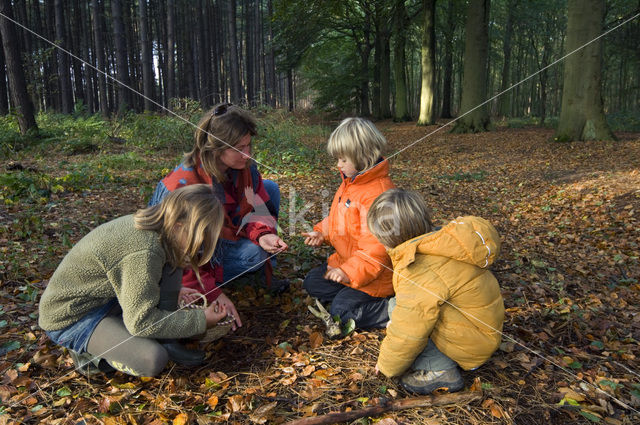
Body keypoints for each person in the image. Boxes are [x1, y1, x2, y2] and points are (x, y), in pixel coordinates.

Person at [39, 184, 239, 377]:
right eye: (201, 235)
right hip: (72, 318)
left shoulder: (160, 231)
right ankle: (91, 356)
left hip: (105, 298)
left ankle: (165, 340)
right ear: (179, 225)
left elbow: (131, 278)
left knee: (176, 260)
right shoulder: (145, 250)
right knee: (151, 359)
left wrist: (171, 292)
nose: (202, 243)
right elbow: (141, 322)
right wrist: (201, 320)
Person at [367, 189, 504, 394]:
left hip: (471, 346)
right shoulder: (440, 243)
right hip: (482, 334)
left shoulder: (419, 268)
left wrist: (387, 366)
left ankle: (441, 371)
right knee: (405, 306)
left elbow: (409, 329)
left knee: (401, 310)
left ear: (389, 237)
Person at [149, 103, 289, 304]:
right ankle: (220, 277)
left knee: (269, 188)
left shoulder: (245, 170)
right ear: (215, 148)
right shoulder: (184, 187)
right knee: (253, 255)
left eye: (249, 145)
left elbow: (258, 210)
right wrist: (211, 293)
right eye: (239, 149)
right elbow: (176, 254)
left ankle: (258, 271)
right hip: (187, 257)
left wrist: (263, 234)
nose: (247, 154)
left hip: (222, 234)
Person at [302, 117, 395, 338]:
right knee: (313, 282)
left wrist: (347, 272)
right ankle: (347, 294)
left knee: (342, 313)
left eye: (343, 159)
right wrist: (321, 233)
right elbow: (339, 220)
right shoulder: (351, 183)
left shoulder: (377, 194)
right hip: (349, 266)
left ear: (363, 156)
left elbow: (377, 251)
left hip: (375, 280)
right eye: (338, 159)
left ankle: (392, 308)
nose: (338, 165)